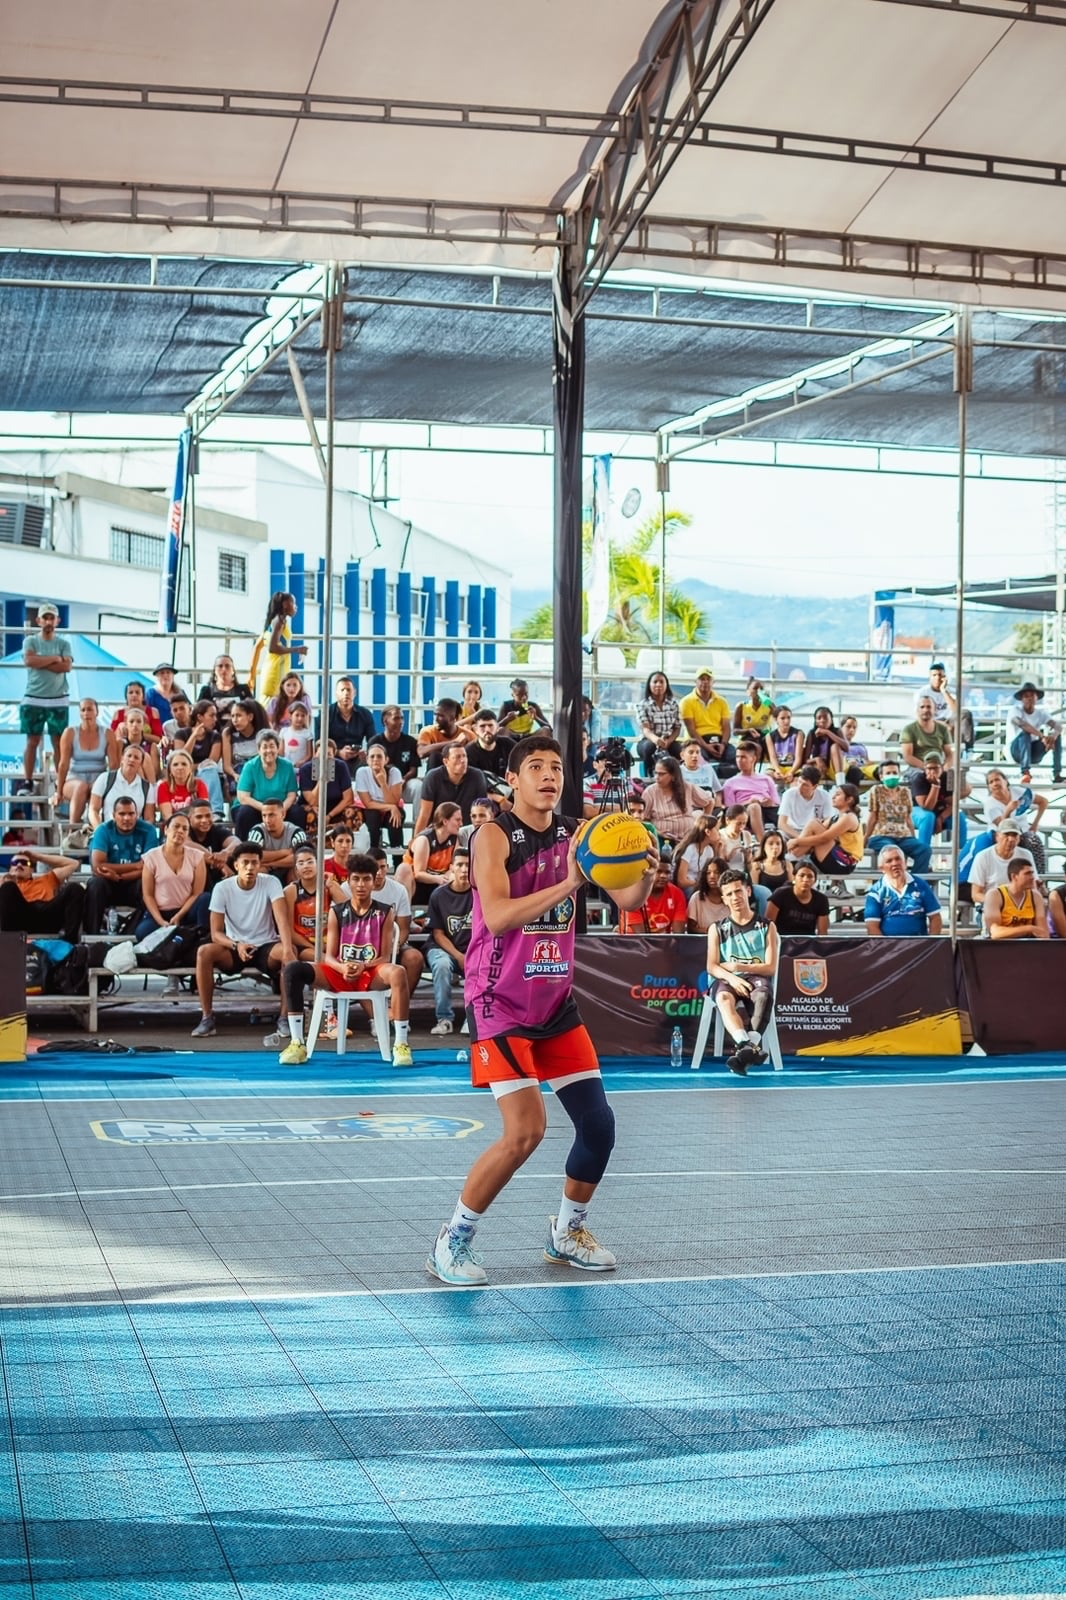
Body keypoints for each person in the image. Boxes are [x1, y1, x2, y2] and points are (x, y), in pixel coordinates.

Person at [426, 734, 656, 1287]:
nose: (549, 775)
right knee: (525, 1131)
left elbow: (630, 902)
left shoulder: (581, 835)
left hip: (555, 1000)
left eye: (557, 766)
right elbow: (501, 915)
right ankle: (452, 1240)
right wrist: (572, 883)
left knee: (598, 1127)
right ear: (513, 779)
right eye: (536, 767)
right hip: (499, 999)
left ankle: (567, 1231)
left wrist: (644, 868)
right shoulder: (491, 836)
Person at [276, 853, 415, 1068]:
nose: (361, 885)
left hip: (371, 972)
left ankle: (401, 1044)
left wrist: (363, 966)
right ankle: (297, 1043)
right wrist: (343, 967)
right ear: (348, 881)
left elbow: (385, 956)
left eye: (366, 879)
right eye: (356, 879)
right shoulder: (336, 911)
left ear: (374, 880)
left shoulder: (385, 912)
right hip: (340, 971)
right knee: (293, 970)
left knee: (398, 972)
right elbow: (329, 956)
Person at [191, 840, 293, 1039]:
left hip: (265, 945)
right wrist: (237, 945)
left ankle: (284, 1018)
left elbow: (282, 920)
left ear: (260, 865)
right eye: (245, 863)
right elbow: (216, 933)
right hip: (234, 946)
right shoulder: (222, 888)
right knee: (204, 952)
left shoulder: (271, 882)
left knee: (289, 954)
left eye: (254, 863)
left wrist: (288, 949)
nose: (250, 867)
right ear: (235, 865)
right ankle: (207, 1018)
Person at [706, 870, 780, 1076]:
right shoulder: (716, 928)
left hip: (753, 977)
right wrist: (731, 977)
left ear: (747, 891)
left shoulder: (767, 926)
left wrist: (738, 967)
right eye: (729, 894)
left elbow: (770, 967)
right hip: (725, 979)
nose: (735, 897)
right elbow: (712, 966)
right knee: (723, 998)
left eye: (738, 891)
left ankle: (746, 1050)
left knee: (764, 994)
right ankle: (749, 1047)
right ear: (723, 899)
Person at [85, 796, 156, 934]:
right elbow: (98, 866)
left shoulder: (149, 830)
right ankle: (90, 936)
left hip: (133, 883)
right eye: (122, 814)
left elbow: (149, 867)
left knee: (149, 883)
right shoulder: (103, 830)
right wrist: (136, 866)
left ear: (137, 815)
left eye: (131, 814)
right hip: (108, 882)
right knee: (95, 884)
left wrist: (119, 877)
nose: (127, 818)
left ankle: (133, 931)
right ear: (113, 815)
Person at [20, 602, 72, 786]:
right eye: (45, 617)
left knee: (58, 742)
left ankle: (60, 781)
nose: (49, 621)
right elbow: (29, 660)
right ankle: (27, 780)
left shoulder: (64, 643)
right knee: (32, 740)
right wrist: (54, 659)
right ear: (38, 620)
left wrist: (40, 661)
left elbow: (66, 666)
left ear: (57, 620)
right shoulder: (30, 641)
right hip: (33, 696)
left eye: (52, 617)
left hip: (58, 698)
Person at [134, 812, 207, 944]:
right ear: (166, 830)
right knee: (142, 932)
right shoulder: (151, 857)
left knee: (205, 898)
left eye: (185, 829)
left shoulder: (197, 856)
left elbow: (197, 893)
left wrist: (179, 915)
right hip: (161, 913)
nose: (180, 831)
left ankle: (199, 940)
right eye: (176, 827)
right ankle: (181, 936)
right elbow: (148, 895)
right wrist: (161, 921)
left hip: (186, 911)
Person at [55, 698, 118, 846]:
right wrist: (58, 792)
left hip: (98, 777)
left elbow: (114, 764)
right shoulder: (70, 733)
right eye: (83, 710)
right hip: (74, 777)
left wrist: (113, 787)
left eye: (90, 709)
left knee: (95, 786)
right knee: (81, 787)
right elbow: (63, 764)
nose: (86, 713)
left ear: (97, 712)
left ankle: (95, 832)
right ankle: (72, 832)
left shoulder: (107, 733)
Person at [366, 845, 424, 1003]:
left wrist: (396, 945)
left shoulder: (399, 890)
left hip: (392, 943)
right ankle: (374, 1016)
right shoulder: (353, 888)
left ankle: (396, 1008)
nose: (378, 872)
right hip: (362, 945)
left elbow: (404, 928)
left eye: (382, 867)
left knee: (414, 958)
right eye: (374, 868)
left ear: (388, 867)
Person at [426, 847, 473, 1035]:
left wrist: (471, 954)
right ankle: (444, 1019)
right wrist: (459, 956)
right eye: (459, 865)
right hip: (443, 947)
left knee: (483, 965)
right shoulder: (439, 895)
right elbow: (438, 934)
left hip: (472, 948)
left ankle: (473, 1018)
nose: (463, 869)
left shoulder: (481, 893)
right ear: (451, 867)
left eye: (468, 865)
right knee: (443, 965)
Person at [0, 847, 84, 943]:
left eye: (25, 863)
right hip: (21, 917)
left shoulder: (46, 879)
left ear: (32, 869)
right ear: (10, 868)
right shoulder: (5, 884)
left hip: (47, 915)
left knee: (75, 888)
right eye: (15, 863)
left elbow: (73, 864)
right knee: (8, 887)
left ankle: (69, 944)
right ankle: (7, 943)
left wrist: (38, 857)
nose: (19, 865)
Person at [865, 758, 930, 873]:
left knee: (924, 850)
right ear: (881, 776)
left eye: (894, 773)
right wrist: (865, 838)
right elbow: (872, 816)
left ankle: (914, 881)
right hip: (881, 835)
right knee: (894, 851)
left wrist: (913, 837)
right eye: (888, 773)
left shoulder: (905, 792)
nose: (892, 775)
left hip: (903, 836)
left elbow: (908, 818)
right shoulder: (876, 790)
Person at [863, 845, 944, 937]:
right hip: (889, 947)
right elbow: (872, 927)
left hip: (918, 946)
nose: (894, 863)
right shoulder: (876, 892)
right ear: (881, 868)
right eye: (889, 861)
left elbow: (935, 918)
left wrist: (930, 944)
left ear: (905, 862)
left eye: (898, 859)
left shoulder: (921, 885)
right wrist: (885, 948)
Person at [786, 782, 864, 875]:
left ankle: (790, 858)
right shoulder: (835, 818)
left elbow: (824, 838)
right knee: (814, 824)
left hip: (844, 863)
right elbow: (815, 832)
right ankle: (791, 857)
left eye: (838, 794)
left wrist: (796, 841)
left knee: (813, 823)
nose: (833, 797)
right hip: (833, 857)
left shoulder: (850, 817)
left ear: (849, 799)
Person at [395, 801, 463, 906]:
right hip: (417, 886)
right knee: (403, 869)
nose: (461, 824)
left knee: (459, 874)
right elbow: (418, 874)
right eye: (457, 820)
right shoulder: (425, 839)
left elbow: (453, 867)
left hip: (437, 884)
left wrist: (446, 877)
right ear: (445, 821)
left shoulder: (455, 839)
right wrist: (439, 879)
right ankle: (403, 915)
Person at [234, 730, 299, 838]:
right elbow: (243, 797)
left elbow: (291, 795)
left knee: (297, 812)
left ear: (278, 748)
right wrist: (267, 810)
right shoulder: (250, 766)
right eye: (264, 747)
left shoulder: (287, 766)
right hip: (255, 807)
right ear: (259, 750)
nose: (269, 750)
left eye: (272, 746)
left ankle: (296, 847)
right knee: (245, 813)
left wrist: (280, 810)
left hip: (281, 808)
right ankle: (245, 849)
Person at [641, 754, 716, 845]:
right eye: (655, 773)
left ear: (673, 776)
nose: (656, 777)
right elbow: (643, 819)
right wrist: (658, 832)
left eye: (661, 774)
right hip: (661, 840)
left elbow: (709, 802)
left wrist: (703, 824)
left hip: (688, 838)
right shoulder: (650, 792)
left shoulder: (687, 787)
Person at [414, 744, 489, 833]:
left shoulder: (477, 776)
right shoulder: (433, 777)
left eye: (464, 756)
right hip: (440, 830)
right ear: (446, 762)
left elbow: (482, 808)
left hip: (466, 830)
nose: (462, 760)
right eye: (457, 757)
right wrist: (415, 841)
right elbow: (425, 814)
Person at [968, 818, 1035, 912]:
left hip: (1021, 906)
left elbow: (1032, 886)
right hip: (992, 906)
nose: (1011, 839)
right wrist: (1001, 902)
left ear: (1019, 838)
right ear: (997, 837)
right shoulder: (982, 857)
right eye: (1006, 835)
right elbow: (976, 894)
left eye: (1015, 835)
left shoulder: (1026, 855)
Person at [297, 743, 357, 844]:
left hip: (336, 807)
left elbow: (348, 799)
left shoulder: (341, 766)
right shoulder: (305, 769)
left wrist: (329, 815)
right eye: (321, 754)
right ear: (315, 755)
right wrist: (322, 780)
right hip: (315, 806)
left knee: (353, 812)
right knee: (312, 814)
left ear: (334, 756)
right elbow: (312, 801)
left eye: (328, 754)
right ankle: (314, 844)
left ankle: (345, 843)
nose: (324, 758)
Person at [678, 669, 735, 775]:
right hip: (697, 741)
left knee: (734, 756)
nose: (705, 682)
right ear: (695, 682)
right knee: (699, 757)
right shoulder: (686, 701)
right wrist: (706, 746)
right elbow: (692, 730)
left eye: (708, 679)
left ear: (713, 682)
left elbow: (726, 727)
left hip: (718, 739)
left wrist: (723, 744)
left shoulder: (722, 701)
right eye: (702, 679)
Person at [911, 752, 969, 855]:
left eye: (936, 768)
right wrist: (935, 786)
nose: (932, 771)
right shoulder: (919, 779)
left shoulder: (947, 777)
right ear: (924, 769)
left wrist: (941, 818)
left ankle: (962, 856)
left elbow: (955, 802)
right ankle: (922, 855)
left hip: (940, 811)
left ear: (942, 768)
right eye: (929, 768)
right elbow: (927, 807)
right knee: (928, 816)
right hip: (918, 811)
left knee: (960, 817)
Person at [253, 591, 304, 704]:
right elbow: (273, 648)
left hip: (277, 668)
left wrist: (251, 675)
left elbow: (258, 646)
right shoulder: (279, 621)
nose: (296, 606)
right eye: (293, 603)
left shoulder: (277, 621)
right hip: (276, 671)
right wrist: (297, 649)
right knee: (272, 706)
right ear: (285, 604)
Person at [88, 744, 157, 828]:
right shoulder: (104, 778)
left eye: (136, 757)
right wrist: (100, 832)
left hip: (134, 835)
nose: (132, 759)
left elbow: (149, 818)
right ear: (122, 759)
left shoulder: (147, 787)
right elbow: (93, 810)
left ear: (141, 764)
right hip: (108, 831)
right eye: (129, 756)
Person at [721, 742, 779, 839]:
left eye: (743, 757)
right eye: (737, 757)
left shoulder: (766, 779)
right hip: (744, 813)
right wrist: (749, 802)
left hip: (767, 811)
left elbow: (777, 803)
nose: (739, 760)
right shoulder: (730, 783)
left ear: (753, 759)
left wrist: (769, 802)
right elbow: (730, 810)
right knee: (754, 807)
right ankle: (762, 843)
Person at [1009, 682, 1062, 784]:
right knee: (1025, 734)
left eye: (1032, 695)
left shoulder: (1041, 713)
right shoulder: (1015, 710)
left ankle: (1057, 775)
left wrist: (1052, 737)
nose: (1029, 698)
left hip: (1033, 752)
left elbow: (1058, 726)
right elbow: (1023, 725)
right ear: (1022, 699)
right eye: (1026, 696)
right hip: (1017, 751)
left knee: (1057, 736)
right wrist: (1042, 736)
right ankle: (1025, 773)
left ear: (1036, 697)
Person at [618, 855, 686, 933]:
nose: (663, 876)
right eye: (659, 871)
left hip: (664, 942)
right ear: (649, 871)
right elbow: (640, 936)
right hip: (632, 942)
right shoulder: (634, 894)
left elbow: (679, 934)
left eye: (667, 872)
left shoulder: (677, 894)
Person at [354, 743, 405, 847]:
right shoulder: (362, 772)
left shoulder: (394, 772)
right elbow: (368, 803)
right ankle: (374, 852)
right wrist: (391, 807)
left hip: (388, 811)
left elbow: (393, 802)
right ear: (367, 760)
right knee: (373, 815)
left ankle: (397, 857)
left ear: (386, 760)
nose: (375, 759)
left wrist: (383, 784)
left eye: (379, 756)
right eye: (372, 756)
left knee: (396, 815)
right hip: (371, 810)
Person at [983, 857, 1047, 941]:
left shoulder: (1035, 896)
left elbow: (1043, 933)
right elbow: (995, 933)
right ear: (1014, 876)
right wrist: (1028, 928)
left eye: (1032, 873)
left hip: (1027, 946)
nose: (1032, 877)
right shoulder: (995, 895)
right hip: (1000, 946)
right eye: (1027, 873)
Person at [318, 675, 375, 766]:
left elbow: (373, 741)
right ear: (336, 694)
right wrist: (338, 752)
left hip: (358, 759)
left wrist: (366, 753)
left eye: (349, 690)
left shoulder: (365, 714)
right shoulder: (325, 714)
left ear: (354, 693)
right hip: (332, 758)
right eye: (342, 690)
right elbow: (319, 744)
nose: (346, 693)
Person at [247, 798, 308, 882]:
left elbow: (300, 858)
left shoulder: (296, 832)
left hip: (285, 870)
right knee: (256, 869)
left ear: (283, 814)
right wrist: (285, 852)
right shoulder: (257, 831)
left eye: (271, 815)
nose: (267, 820)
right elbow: (252, 856)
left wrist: (270, 864)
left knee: (298, 869)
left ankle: (296, 894)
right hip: (267, 869)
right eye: (264, 816)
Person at [634, 671, 682, 777]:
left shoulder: (673, 704)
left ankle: (677, 778)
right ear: (649, 685)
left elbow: (677, 728)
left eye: (661, 682)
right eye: (655, 682)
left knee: (678, 749)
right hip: (649, 740)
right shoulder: (642, 705)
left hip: (668, 740)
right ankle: (649, 777)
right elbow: (645, 729)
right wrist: (656, 740)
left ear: (666, 685)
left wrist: (668, 741)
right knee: (649, 747)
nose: (658, 685)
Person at [900, 697, 953, 791]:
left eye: (929, 707)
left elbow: (950, 754)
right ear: (917, 710)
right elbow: (907, 756)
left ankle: (948, 804)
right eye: (922, 707)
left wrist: (944, 768)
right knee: (919, 778)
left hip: (939, 767)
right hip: (918, 768)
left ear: (935, 709)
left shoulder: (943, 729)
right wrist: (928, 768)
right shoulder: (909, 729)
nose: (925, 710)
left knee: (962, 784)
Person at [766, 858, 829, 935]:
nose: (805, 880)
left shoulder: (821, 900)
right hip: (781, 941)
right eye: (801, 875)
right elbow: (768, 927)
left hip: (808, 943)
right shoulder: (780, 894)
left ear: (815, 880)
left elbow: (822, 933)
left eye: (810, 876)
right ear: (794, 877)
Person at [378, 706, 422, 812]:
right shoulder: (376, 742)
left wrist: (403, 780)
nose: (401, 722)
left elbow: (413, 770)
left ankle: (418, 825)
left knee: (418, 786)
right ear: (385, 721)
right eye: (396, 718)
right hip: (382, 785)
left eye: (402, 718)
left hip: (405, 783)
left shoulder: (410, 742)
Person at [222, 698, 270, 794]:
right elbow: (226, 766)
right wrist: (234, 775)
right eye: (232, 716)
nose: (235, 720)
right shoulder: (228, 734)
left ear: (250, 717)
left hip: (259, 774)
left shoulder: (263, 733)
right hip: (238, 775)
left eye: (239, 715)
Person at [464, 710, 515, 794]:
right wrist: (499, 799)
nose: (487, 730)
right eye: (482, 726)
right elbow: (470, 786)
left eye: (490, 725)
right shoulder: (469, 752)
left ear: (497, 727)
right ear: (475, 729)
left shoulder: (508, 744)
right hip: (484, 796)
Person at [778, 764, 832, 843]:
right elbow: (781, 824)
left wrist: (806, 838)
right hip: (791, 832)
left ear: (815, 787)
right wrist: (801, 838)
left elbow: (828, 820)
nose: (800, 787)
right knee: (778, 836)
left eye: (805, 785)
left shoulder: (824, 796)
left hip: (812, 832)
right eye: (799, 782)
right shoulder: (789, 794)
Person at [197, 653, 253, 729]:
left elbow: (253, 710)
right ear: (215, 671)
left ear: (233, 670)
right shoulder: (206, 691)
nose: (224, 669)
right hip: (213, 733)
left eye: (227, 666)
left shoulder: (243, 690)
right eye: (220, 666)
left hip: (239, 732)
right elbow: (198, 713)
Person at [673, 815, 721, 898]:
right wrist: (698, 883)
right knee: (694, 892)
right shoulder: (690, 849)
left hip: (698, 884)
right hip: (687, 887)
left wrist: (717, 848)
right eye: (716, 830)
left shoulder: (709, 850)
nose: (719, 833)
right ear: (708, 832)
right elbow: (681, 881)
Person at [156, 750, 209, 821]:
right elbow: (167, 816)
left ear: (190, 768)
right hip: (173, 826)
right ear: (170, 770)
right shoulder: (163, 786)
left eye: (184, 764)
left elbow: (203, 810)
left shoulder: (199, 784)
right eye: (175, 764)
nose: (180, 767)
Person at [417, 698, 470, 766]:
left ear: (452, 718)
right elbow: (421, 752)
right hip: (437, 773)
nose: (436, 719)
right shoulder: (428, 731)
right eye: (435, 714)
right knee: (435, 756)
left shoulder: (467, 734)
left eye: (440, 716)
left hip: (460, 771)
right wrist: (454, 742)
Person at [764, 705, 803, 789]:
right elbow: (773, 757)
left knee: (796, 785)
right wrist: (777, 771)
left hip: (793, 767)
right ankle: (771, 800)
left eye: (788, 718)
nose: (786, 721)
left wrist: (791, 772)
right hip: (777, 766)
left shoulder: (798, 734)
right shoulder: (770, 736)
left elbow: (798, 758)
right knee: (766, 779)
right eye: (782, 718)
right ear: (775, 719)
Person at [686, 857, 729, 933]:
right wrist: (712, 932)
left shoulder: (730, 897)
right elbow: (691, 928)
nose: (712, 876)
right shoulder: (696, 898)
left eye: (717, 872)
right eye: (708, 873)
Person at [802, 707, 847, 778]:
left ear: (831, 720)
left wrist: (827, 732)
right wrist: (817, 759)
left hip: (835, 767)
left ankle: (840, 783)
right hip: (820, 767)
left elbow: (846, 747)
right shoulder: (812, 733)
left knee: (835, 746)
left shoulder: (837, 731)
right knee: (806, 767)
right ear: (816, 722)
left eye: (825, 718)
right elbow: (805, 759)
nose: (822, 720)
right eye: (819, 718)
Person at [751, 829, 792, 896]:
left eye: (778, 844)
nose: (775, 847)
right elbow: (755, 892)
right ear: (764, 846)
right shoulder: (757, 866)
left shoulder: (787, 865)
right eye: (771, 844)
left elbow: (791, 889)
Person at [279, 701, 314, 768]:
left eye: (303, 715)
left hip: (301, 767)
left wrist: (302, 762)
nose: (300, 718)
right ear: (290, 716)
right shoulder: (284, 731)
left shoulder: (307, 734)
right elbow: (281, 752)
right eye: (297, 715)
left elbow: (309, 754)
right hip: (287, 766)